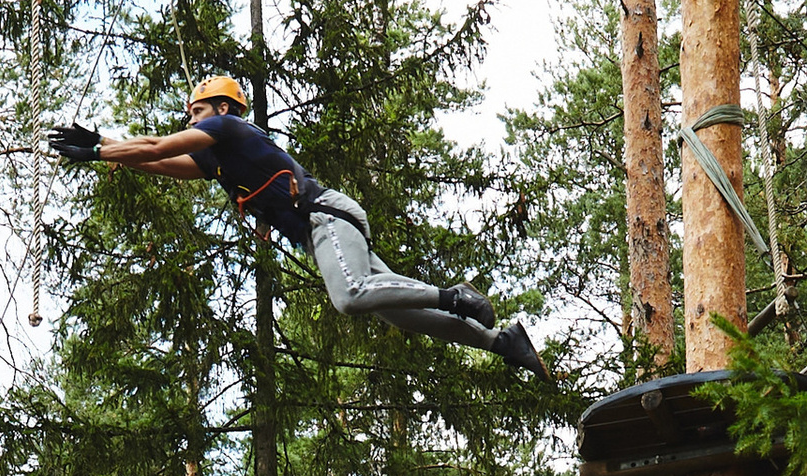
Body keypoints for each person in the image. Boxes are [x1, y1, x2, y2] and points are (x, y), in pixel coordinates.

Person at [54, 75, 548, 383]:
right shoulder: (217, 159)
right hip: (323, 227)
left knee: (350, 295)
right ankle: (501, 342)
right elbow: (160, 162)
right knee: (398, 313)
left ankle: (454, 296)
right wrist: (104, 146)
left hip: (324, 216)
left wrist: (99, 149)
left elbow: (158, 146)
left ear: (222, 109)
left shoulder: (227, 129)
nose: (191, 120)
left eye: (196, 112)